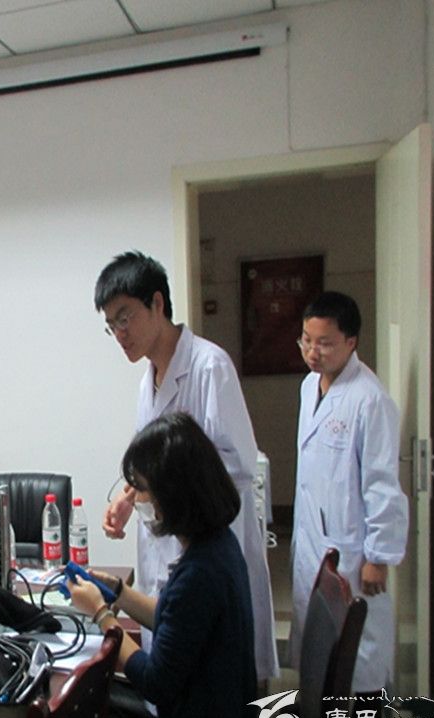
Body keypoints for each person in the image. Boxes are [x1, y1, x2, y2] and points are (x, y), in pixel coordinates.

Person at [94, 251, 278, 681]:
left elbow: (238, 466)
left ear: (157, 303)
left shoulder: (209, 367)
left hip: (206, 550)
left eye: (125, 318)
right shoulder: (149, 379)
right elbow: (151, 462)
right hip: (170, 544)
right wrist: (129, 499)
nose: (120, 334)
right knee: (175, 667)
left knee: (207, 678)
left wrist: (159, 491)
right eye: (111, 325)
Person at [67, 413, 257, 718]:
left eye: (141, 488)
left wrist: (102, 615)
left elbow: (154, 681)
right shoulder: (217, 545)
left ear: (173, 494)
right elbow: (178, 622)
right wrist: (118, 592)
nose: (136, 499)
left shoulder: (200, 573)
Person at [292, 291, 408, 693]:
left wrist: (378, 556)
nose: (313, 352)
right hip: (314, 538)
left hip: (353, 549)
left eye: (324, 343)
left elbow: (381, 483)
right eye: (307, 340)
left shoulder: (370, 399)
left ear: (351, 342)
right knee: (319, 653)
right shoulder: (309, 386)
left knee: (358, 656)